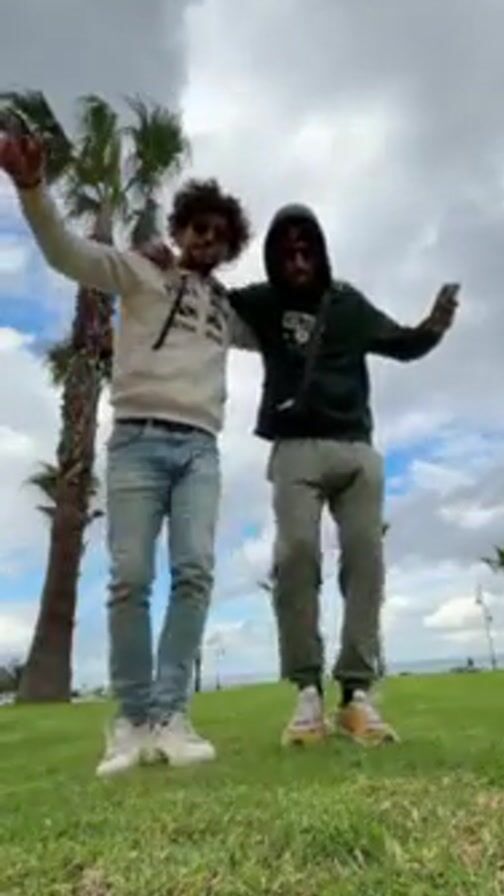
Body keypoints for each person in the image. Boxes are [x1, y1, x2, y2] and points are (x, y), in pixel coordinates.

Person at [143, 205, 458, 747]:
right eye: (286, 252)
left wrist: (436, 323)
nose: (298, 261)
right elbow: (206, 295)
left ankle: (356, 694)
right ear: (273, 258)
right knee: (295, 557)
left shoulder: (348, 303)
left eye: (306, 250)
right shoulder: (263, 302)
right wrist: (168, 262)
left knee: (366, 561)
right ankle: (307, 692)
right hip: (295, 452)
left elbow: (404, 345)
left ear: (321, 252)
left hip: (356, 449)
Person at [0, 134, 255, 776]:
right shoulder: (141, 272)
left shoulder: (228, 310)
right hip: (137, 442)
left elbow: (285, 325)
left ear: (229, 247)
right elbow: (67, 253)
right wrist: (31, 190)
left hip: (200, 450)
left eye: (219, 236)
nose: (206, 240)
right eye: (198, 228)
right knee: (131, 578)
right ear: (180, 228)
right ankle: (132, 723)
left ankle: (172, 717)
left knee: (194, 572)